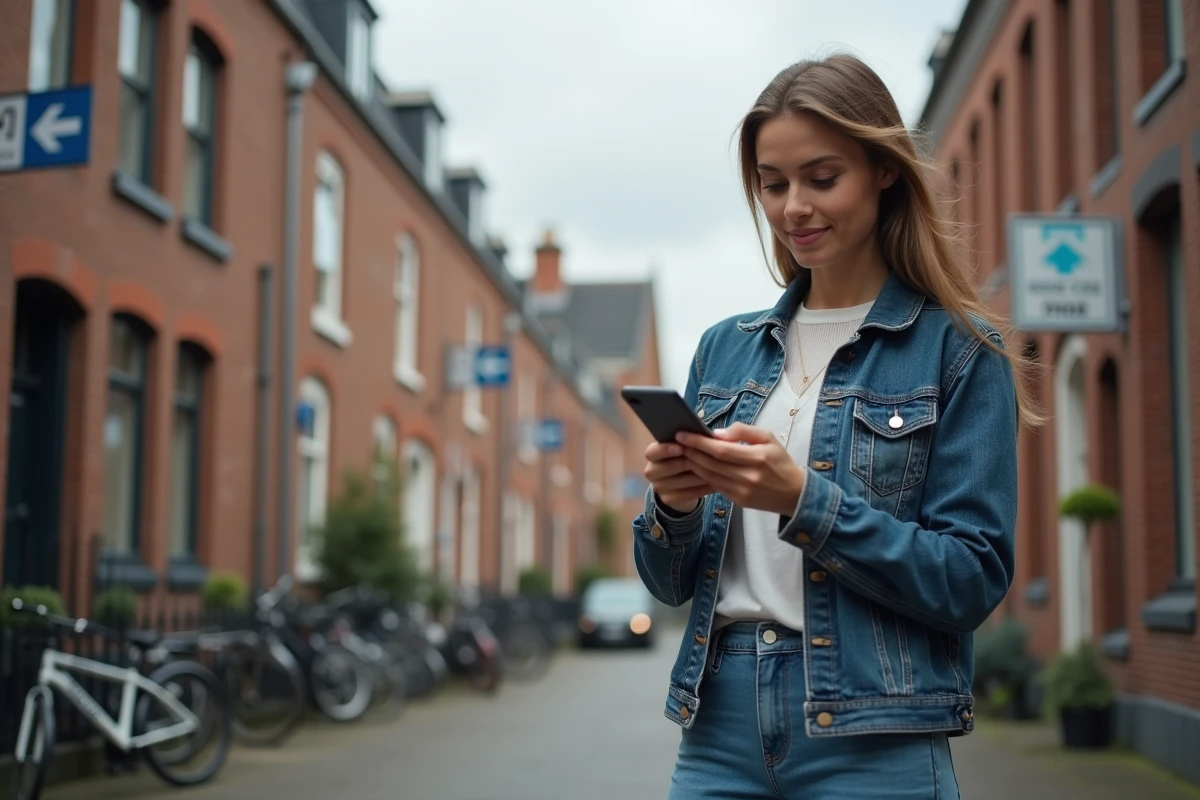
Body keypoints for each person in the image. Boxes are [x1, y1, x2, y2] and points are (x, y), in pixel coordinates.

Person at [633, 54, 1041, 799]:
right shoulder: (724, 349)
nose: (793, 207)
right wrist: (675, 507)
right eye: (773, 182)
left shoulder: (957, 350)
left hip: (873, 731)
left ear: (884, 171)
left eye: (822, 179)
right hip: (715, 725)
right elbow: (668, 586)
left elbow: (971, 579)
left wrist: (803, 501)